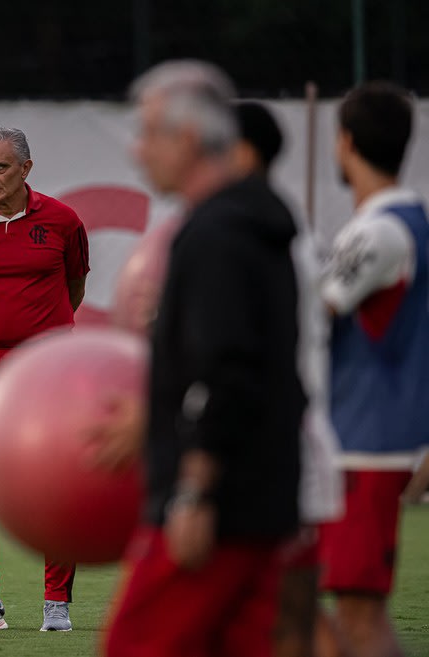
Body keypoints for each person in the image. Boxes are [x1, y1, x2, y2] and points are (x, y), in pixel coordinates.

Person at [97, 60, 305, 657]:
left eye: (146, 133)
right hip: (262, 500)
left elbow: (226, 370)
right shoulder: (253, 219)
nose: (137, 152)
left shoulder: (217, 233)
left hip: (219, 509)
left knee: (136, 645)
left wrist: (194, 492)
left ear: (185, 139)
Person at [0, 127, 90, 632]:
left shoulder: (64, 222)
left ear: (26, 169)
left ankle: (56, 603)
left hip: (48, 365)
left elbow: (75, 286)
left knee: (57, 480)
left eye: (0, 167)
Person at [317, 81, 429, 657]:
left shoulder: (379, 229)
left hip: (366, 441)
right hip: (360, 438)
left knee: (359, 618)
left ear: (347, 142)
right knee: (300, 605)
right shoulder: (404, 222)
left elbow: (313, 320)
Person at [233, 101, 346, 657]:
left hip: (279, 455)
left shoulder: (265, 235)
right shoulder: (281, 228)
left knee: (290, 620)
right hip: (288, 451)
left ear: (243, 153)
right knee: (292, 621)